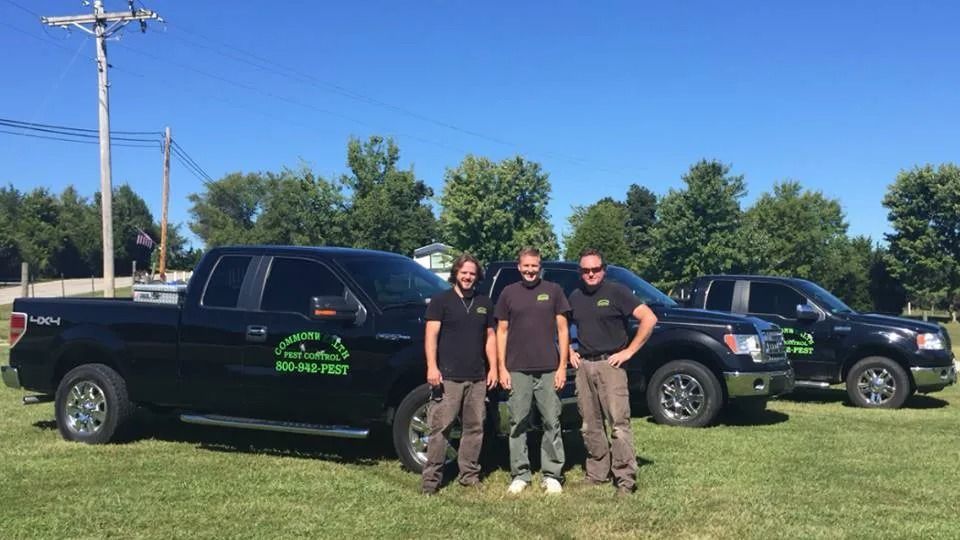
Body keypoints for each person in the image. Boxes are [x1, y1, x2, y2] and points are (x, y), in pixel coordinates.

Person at [567, 248, 657, 495]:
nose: (591, 274)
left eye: (595, 269)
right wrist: (568, 350)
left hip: (611, 365)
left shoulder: (617, 292)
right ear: (580, 272)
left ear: (603, 270)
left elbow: (648, 318)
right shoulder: (574, 296)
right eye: (586, 270)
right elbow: (562, 326)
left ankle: (625, 478)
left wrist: (628, 351)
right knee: (589, 424)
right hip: (584, 366)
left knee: (618, 424)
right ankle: (597, 473)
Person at [494, 247, 570, 494]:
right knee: (517, 422)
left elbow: (563, 331)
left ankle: (552, 474)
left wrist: (562, 367)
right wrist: (502, 368)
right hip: (517, 368)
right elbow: (501, 332)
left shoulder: (553, 291)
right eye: (526, 266)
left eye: (534, 266)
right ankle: (520, 474)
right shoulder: (508, 293)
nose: (530, 270)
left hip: (548, 368)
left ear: (540, 267)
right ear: (519, 267)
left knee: (551, 421)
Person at [421, 253, 498, 495]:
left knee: (474, 428)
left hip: (477, 377)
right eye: (464, 272)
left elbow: (490, 338)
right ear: (456, 273)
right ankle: (431, 481)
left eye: (472, 273)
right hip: (448, 377)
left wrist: (493, 368)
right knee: (440, 428)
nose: (467, 277)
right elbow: (431, 336)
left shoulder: (484, 302)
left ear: (478, 277)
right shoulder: (440, 301)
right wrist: (432, 367)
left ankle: (469, 476)